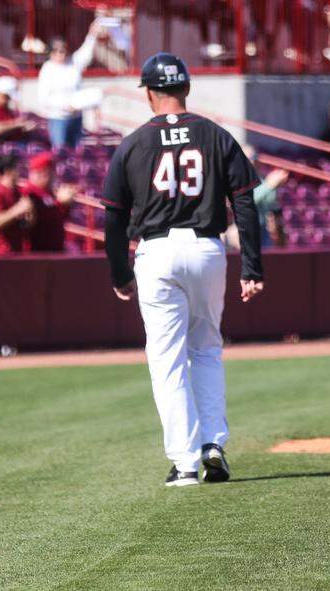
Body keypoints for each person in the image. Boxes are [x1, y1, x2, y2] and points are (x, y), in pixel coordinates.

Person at [101, 52, 264, 487]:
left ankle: (185, 463)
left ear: (150, 94)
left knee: (167, 359)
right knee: (207, 348)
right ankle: (213, 443)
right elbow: (245, 200)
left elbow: (113, 216)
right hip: (207, 248)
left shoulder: (134, 142)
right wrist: (252, 265)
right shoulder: (214, 134)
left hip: (155, 253)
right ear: (185, 88)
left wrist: (119, 273)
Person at [36, 21, 103, 150]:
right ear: (51, 52)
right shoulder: (47, 69)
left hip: (76, 117)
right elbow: (43, 98)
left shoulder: (72, 63)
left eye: (63, 50)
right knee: (60, 153)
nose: (61, 53)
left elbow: (86, 52)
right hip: (58, 118)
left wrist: (92, 34)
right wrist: (65, 106)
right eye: (57, 51)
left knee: (76, 154)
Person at [21, 151, 77, 252]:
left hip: (53, 250)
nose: (53, 176)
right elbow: (40, 218)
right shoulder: (29, 192)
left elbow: (60, 218)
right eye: (49, 172)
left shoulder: (48, 192)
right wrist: (60, 203)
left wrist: (66, 205)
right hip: (38, 252)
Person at [0, 153, 33, 256]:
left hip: (17, 253)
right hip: (1, 255)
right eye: (17, 168)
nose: (20, 172)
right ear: (9, 171)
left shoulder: (18, 193)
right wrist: (18, 210)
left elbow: (25, 224)